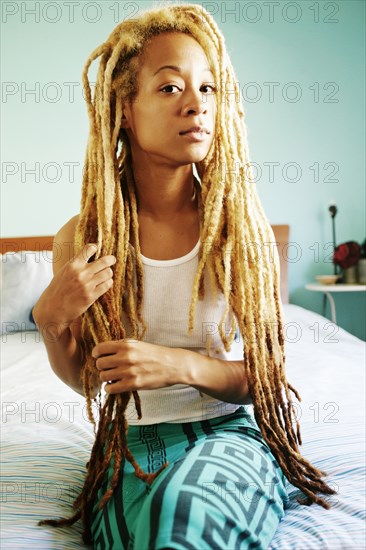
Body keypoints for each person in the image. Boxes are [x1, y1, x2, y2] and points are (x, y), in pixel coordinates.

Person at [33, 2, 336, 548]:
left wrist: (174, 365)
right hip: (128, 448)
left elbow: (264, 381)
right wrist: (51, 323)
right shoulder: (85, 238)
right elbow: (87, 379)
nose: (196, 104)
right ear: (125, 108)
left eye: (209, 88)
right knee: (146, 535)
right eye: (170, 88)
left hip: (227, 432)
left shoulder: (241, 232)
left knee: (184, 516)